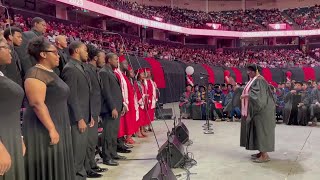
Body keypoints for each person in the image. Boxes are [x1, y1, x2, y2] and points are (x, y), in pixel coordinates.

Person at [22, 37, 75, 180]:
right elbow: (37, 103)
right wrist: (51, 128)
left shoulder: (51, 73)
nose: (58, 56)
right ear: (43, 54)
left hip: (58, 122)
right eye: (55, 52)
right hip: (43, 128)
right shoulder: (35, 74)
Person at [61, 41, 93, 179]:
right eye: (85, 50)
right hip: (76, 119)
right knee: (77, 151)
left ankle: (80, 175)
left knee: (81, 150)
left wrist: (89, 115)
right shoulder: (70, 68)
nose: (87, 53)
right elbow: (71, 96)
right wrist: (79, 118)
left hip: (84, 116)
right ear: (76, 51)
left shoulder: (80, 66)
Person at [239, 64, 276, 163]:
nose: (248, 73)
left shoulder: (259, 80)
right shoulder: (255, 80)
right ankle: (261, 152)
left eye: (250, 71)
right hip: (259, 110)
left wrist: (246, 95)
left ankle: (265, 155)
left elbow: (258, 97)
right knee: (257, 130)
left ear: (256, 71)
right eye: (248, 71)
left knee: (261, 131)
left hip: (262, 111)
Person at [0, 36, 25, 180]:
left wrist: (19, 137)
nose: (10, 50)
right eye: (5, 47)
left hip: (11, 137)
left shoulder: (3, 74)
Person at [83, 45, 106, 177]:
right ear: (95, 58)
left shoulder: (94, 70)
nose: (104, 60)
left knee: (92, 142)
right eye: (102, 58)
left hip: (96, 111)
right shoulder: (87, 70)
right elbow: (88, 93)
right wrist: (91, 113)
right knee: (90, 142)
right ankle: (88, 168)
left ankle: (92, 164)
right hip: (90, 112)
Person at [99, 53, 125, 167]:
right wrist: (113, 107)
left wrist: (122, 105)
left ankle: (113, 153)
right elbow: (106, 92)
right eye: (115, 59)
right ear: (109, 60)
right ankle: (106, 157)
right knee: (108, 134)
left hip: (117, 107)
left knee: (113, 133)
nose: (117, 61)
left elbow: (116, 91)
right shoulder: (104, 72)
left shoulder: (111, 72)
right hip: (110, 109)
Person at [135, 68, 148, 138]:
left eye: (143, 74)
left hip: (143, 101)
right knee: (139, 118)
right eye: (141, 74)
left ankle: (142, 129)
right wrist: (142, 98)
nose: (143, 75)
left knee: (142, 117)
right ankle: (138, 131)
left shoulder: (143, 83)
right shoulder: (137, 83)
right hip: (139, 102)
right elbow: (137, 93)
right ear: (138, 75)